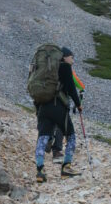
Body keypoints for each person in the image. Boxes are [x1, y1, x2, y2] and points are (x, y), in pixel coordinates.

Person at [34, 47, 82, 183]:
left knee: (42, 138)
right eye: (72, 57)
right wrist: (78, 105)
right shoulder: (65, 67)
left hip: (43, 107)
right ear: (65, 57)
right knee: (71, 135)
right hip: (58, 106)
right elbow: (72, 88)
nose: (72, 61)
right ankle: (66, 168)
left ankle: (40, 170)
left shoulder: (44, 69)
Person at [47, 69, 86, 163]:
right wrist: (79, 104)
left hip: (46, 100)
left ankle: (45, 143)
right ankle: (57, 151)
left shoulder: (48, 64)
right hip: (61, 101)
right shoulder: (67, 68)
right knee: (61, 125)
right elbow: (80, 86)